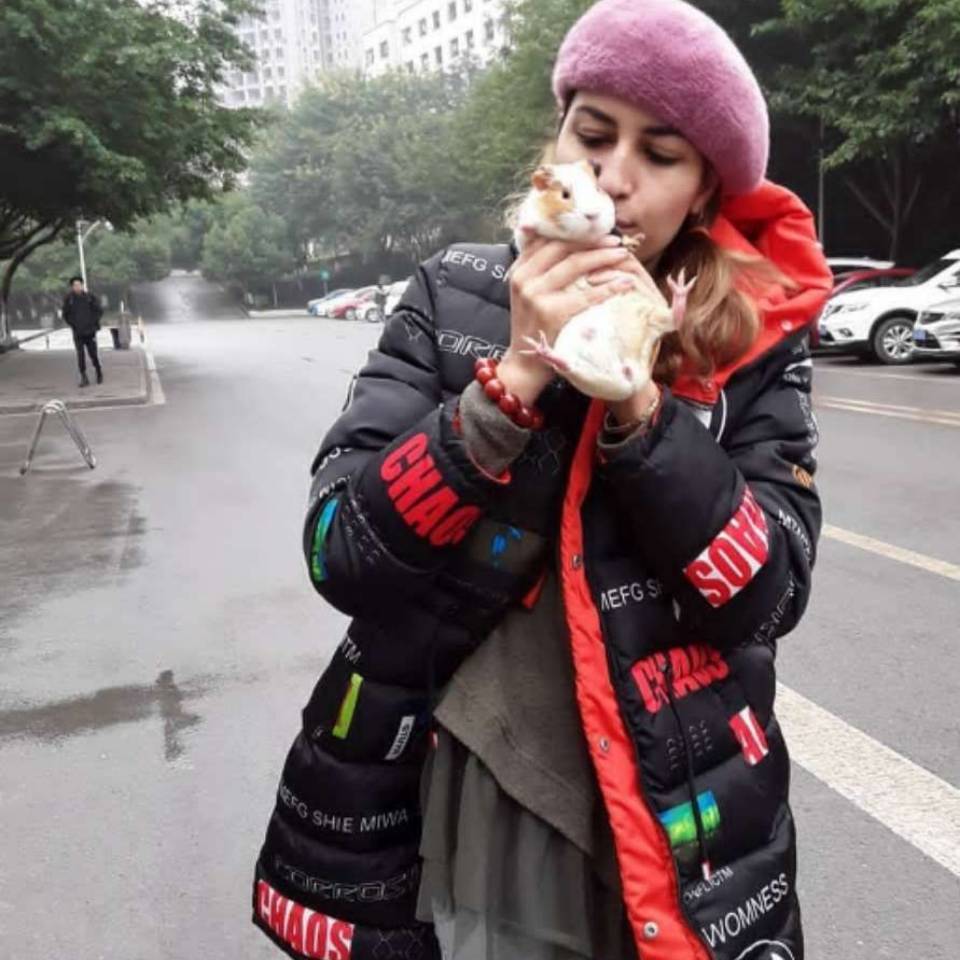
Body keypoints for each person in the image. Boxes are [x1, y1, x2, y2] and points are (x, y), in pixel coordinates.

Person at [252, 2, 832, 959]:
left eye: (661, 154)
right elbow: (342, 552)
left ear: (703, 194)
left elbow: (768, 596)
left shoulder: (753, 349)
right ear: (555, 147)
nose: (614, 176)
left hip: (677, 802)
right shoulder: (451, 295)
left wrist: (641, 407)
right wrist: (514, 379)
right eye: (593, 136)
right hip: (483, 787)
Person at [62, 276, 103, 387]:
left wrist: (92, 322)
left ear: (82, 285)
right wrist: (73, 324)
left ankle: (98, 371)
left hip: (90, 331)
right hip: (77, 332)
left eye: (79, 285)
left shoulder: (90, 297)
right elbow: (65, 314)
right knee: (80, 355)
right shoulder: (69, 299)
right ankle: (84, 377)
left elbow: (99, 311)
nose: (77, 287)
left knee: (93, 354)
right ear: (72, 287)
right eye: (75, 285)